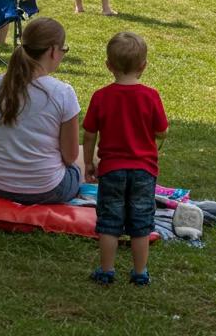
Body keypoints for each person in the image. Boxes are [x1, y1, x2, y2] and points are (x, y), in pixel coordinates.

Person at [83, 31, 169, 286]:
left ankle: (106, 270)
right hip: (144, 171)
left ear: (108, 66)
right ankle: (140, 272)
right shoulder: (151, 96)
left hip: (111, 170)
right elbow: (161, 130)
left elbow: (89, 134)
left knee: (109, 222)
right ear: (143, 66)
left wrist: (88, 163)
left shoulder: (100, 96)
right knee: (141, 222)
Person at [0, 16, 84, 204]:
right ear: (53, 51)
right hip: (49, 190)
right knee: (88, 154)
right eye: (64, 49)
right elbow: (70, 157)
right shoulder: (63, 92)